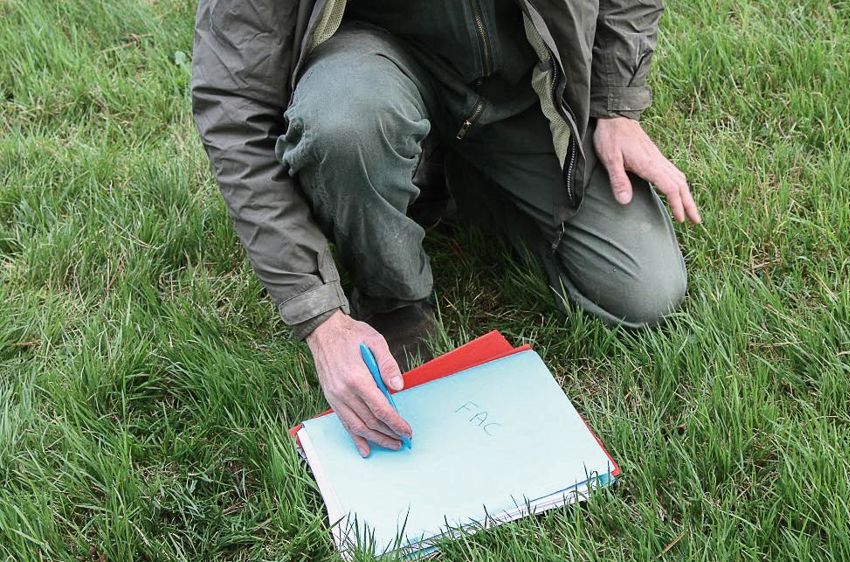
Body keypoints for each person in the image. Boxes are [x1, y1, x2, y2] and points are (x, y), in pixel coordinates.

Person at [191, 0, 701, 457]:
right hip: (372, 69)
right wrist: (319, 317)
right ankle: (393, 297)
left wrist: (615, 105)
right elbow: (233, 103)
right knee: (344, 124)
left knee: (644, 290)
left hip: (524, 85)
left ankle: (453, 180)